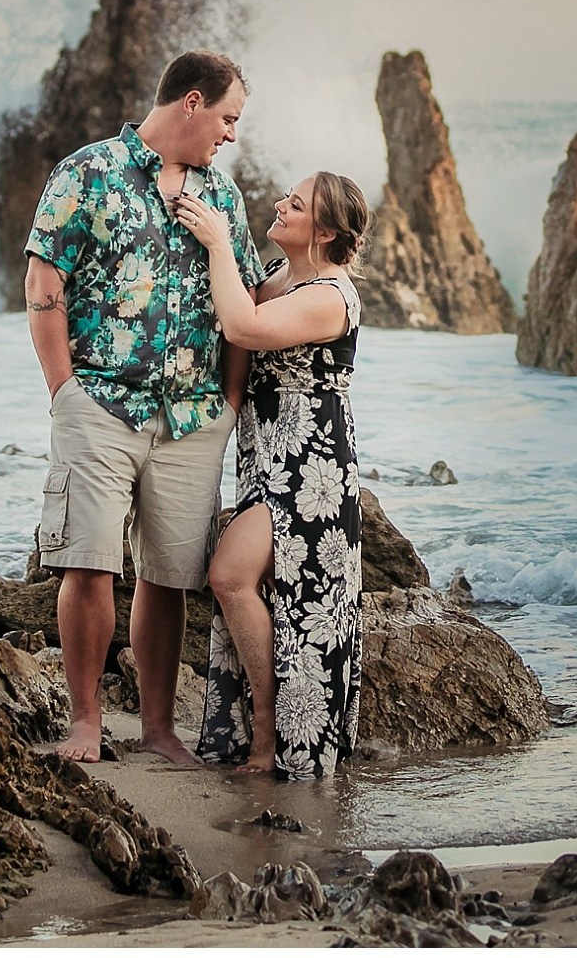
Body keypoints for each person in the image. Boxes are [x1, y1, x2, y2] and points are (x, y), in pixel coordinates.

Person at [22, 50, 263, 764]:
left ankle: (159, 730)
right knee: (89, 563)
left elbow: (243, 297)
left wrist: (229, 398)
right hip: (98, 400)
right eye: (227, 118)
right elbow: (43, 281)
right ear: (191, 101)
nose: (230, 135)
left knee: (168, 574)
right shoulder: (85, 172)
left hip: (192, 416)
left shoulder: (223, 198)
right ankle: (87, 721)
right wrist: (63, 390)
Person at [171, 170, 371, 779]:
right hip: (266, 457)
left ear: (326, 230)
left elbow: (244, 328)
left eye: (298, 203)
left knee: (231, 576)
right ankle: (264, 736)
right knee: (271, 594)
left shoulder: (331, 295)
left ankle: (267, 735)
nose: (281, 204)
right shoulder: (283, 278)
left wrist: (218, 244)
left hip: (313, 467)